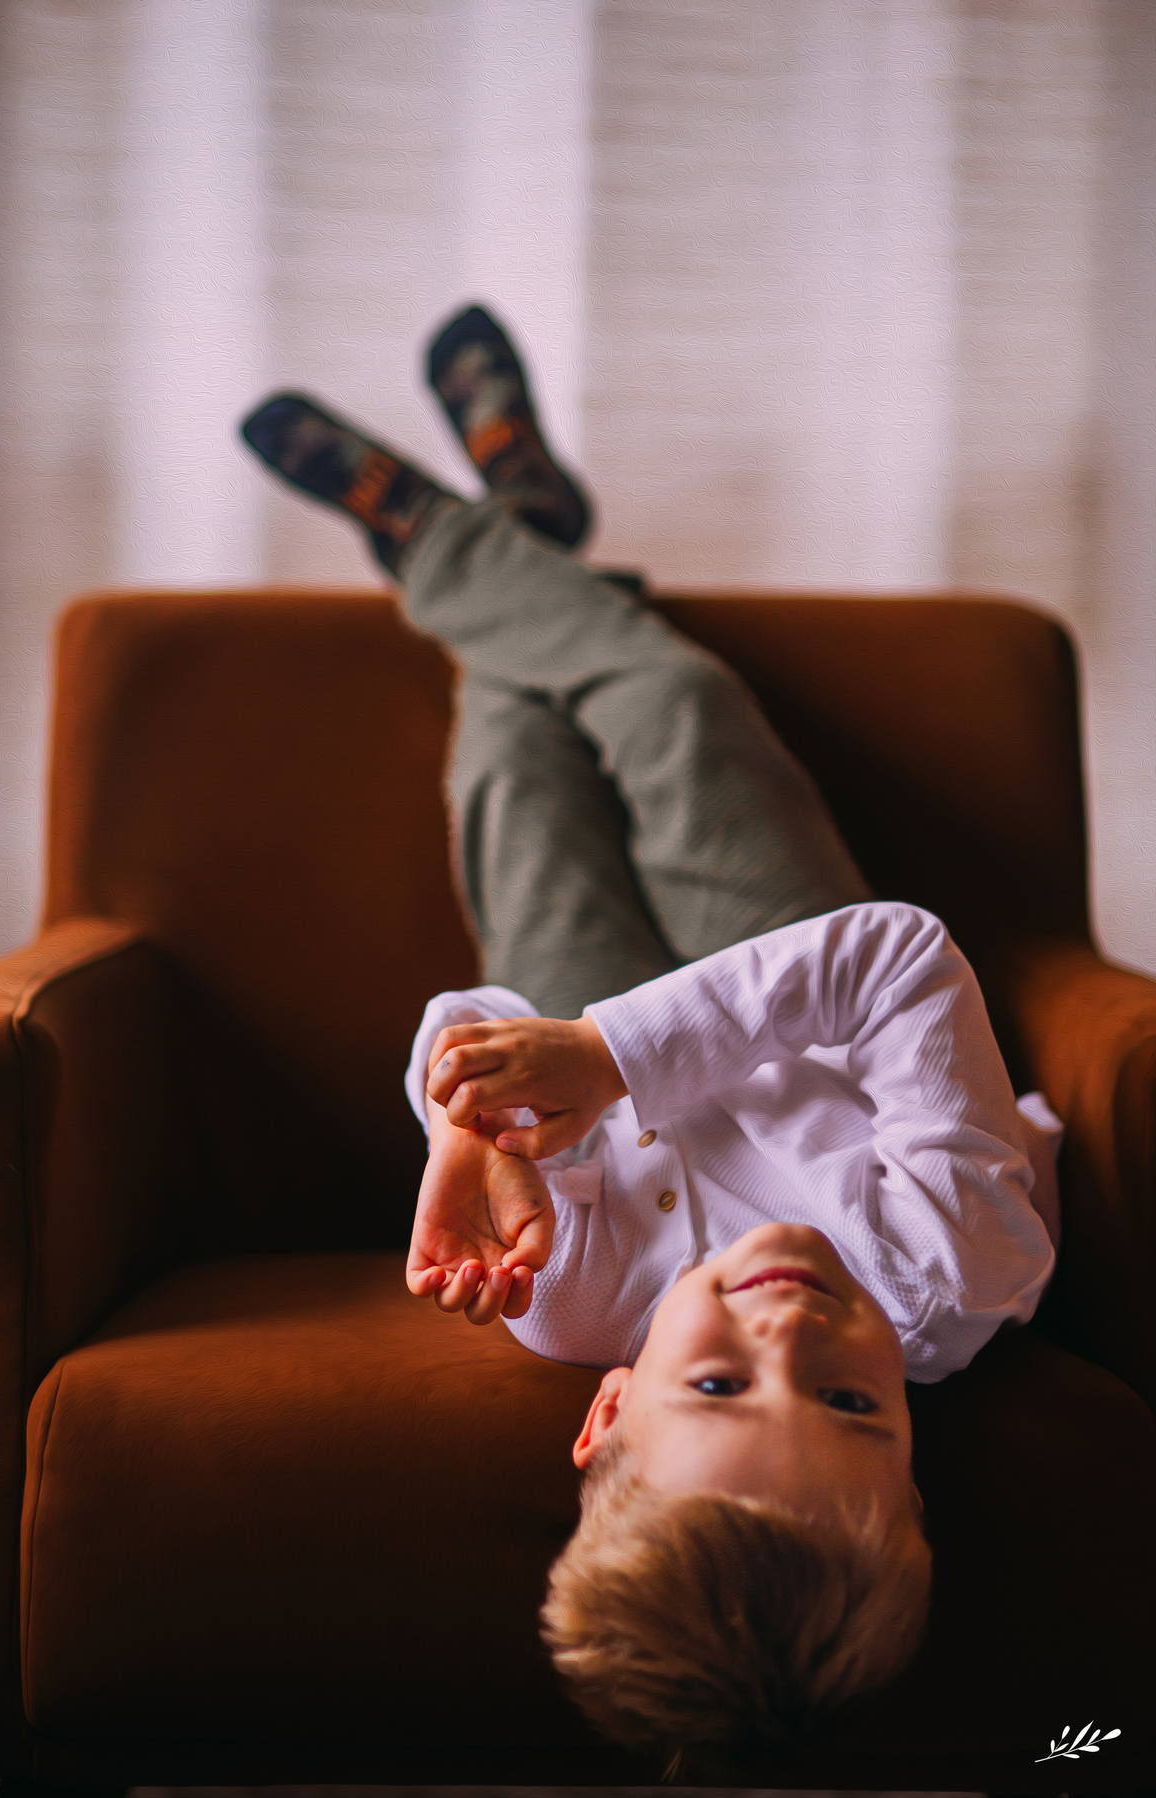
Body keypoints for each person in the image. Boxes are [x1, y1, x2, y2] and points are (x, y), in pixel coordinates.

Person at [239, 306, 1060, 1760]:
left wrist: (459, 1122)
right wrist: (613, 1056)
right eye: (855, 1400)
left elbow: (485, 1041)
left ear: (607, 1406)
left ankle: (510, 533)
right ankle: (461, 532)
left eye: (721, 1380)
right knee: (675, 704)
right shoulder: (954, 1272)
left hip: (600, 1047)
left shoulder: (559, 1296)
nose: (791, 1328)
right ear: (916, 1457)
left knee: (512, 763)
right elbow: (898, 960)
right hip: (795, 994)